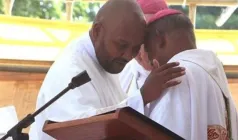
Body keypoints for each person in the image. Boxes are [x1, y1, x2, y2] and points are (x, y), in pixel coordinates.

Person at [29, 0, 185, 139]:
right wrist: (142, 97)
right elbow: (79, 128)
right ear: (97, 31)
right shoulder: (71, 69)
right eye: (122, 45)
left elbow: (209, 132)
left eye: (136, 48)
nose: (128, 56)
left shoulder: (108, 61)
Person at [143, 6, 238, 140]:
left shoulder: (176, 74)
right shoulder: (212, 70)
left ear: (160, 40)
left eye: (150, 53)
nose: (152, 64)